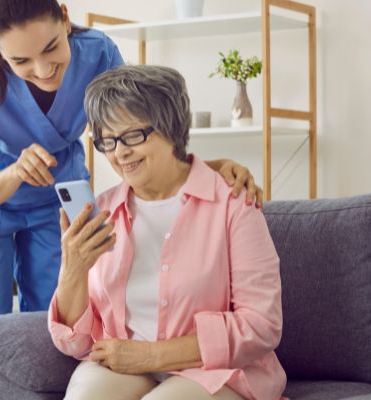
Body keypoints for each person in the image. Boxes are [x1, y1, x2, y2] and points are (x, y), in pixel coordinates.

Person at [0, 1, 264, 398]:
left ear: (64, 16)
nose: (42, 71)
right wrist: (15, 172)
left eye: (51, 49)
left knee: (54, 332)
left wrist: (206, 167)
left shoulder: (98, 52)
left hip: (57, 196)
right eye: (21, 61)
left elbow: (140, 129)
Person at [49, 65, 286, 400]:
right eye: (108, 141)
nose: (120, 152)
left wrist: (149, 355)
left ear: (171, 129)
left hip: (216, 371)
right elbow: (75, 342)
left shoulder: (232, 203)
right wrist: (73, 269)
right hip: (123, 366)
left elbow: (261, 325)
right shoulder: (101, 211)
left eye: (132, 136)